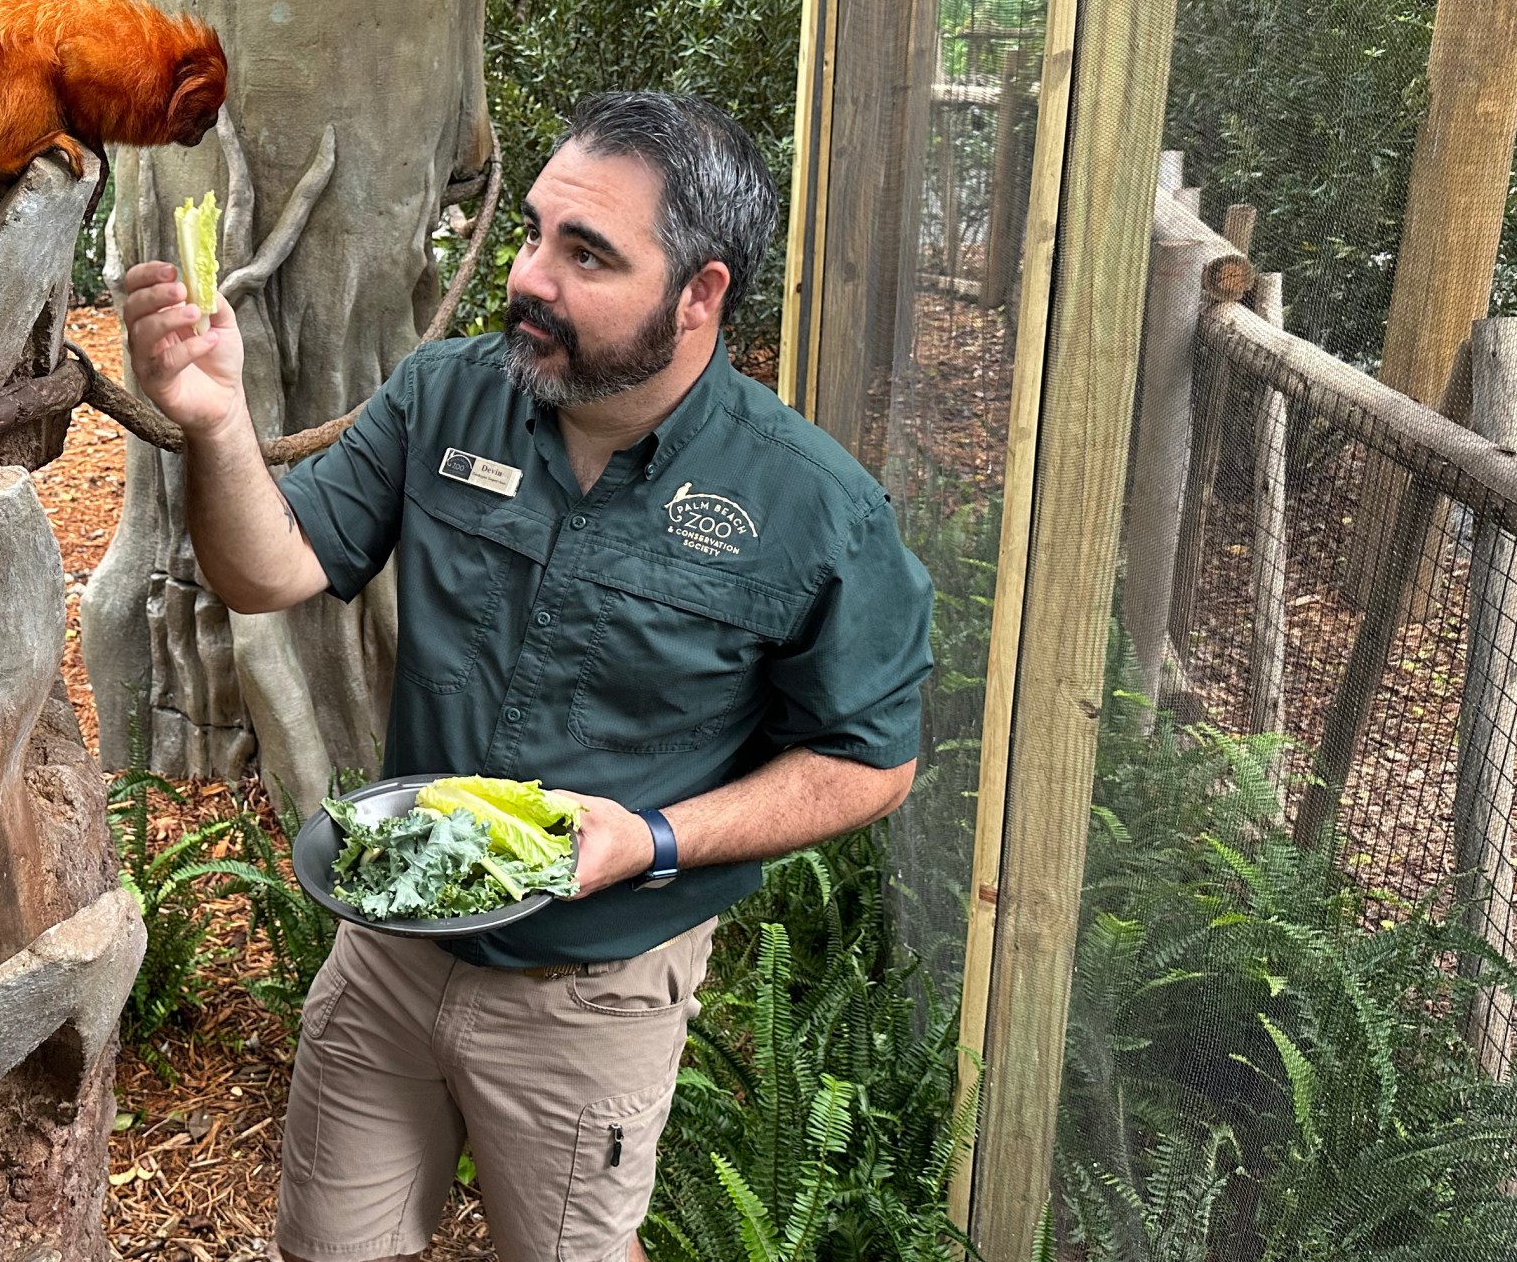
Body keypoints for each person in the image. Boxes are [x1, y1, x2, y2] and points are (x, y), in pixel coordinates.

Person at [119, 91, 934, 1262]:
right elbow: (267, 574)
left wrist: (647, 839)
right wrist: (211, 422)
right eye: (536, 231)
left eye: (585, 253)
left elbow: (869, 763)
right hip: (392, 942)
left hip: (591, 991)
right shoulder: (450, 392)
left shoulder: (814, 510)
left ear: (698, 294)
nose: (529, 276)